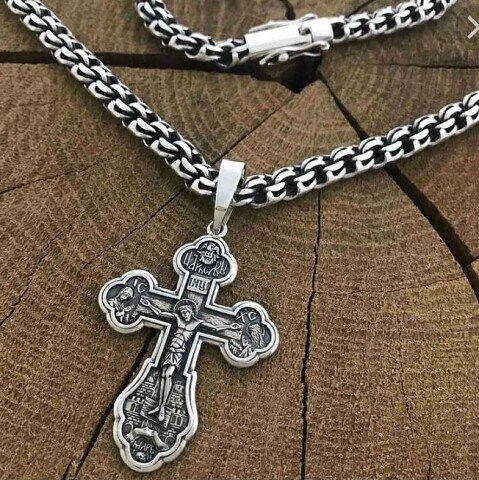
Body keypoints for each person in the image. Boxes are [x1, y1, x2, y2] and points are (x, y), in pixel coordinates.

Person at [148, 299, 241, 421]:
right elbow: (160, 313)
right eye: (182, 313)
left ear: (191, 312)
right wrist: (149, 305)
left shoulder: (197, 323)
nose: (184, 315)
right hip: (170, 350)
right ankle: (159, 405)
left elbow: (215, 328)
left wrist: (229, 326)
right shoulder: (178, 318)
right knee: (163, 375)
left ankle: (163, 408)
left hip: (179, 352)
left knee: (169, 374)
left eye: (186, 312)